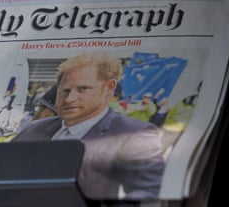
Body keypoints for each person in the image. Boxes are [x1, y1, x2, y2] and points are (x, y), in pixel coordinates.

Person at [12, 52, 164, 201]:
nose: (69, 99)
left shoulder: (134, 134)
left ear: (109, 88)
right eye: (65, 90)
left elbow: (148, 194)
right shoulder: (34, 129)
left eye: (83, 89)